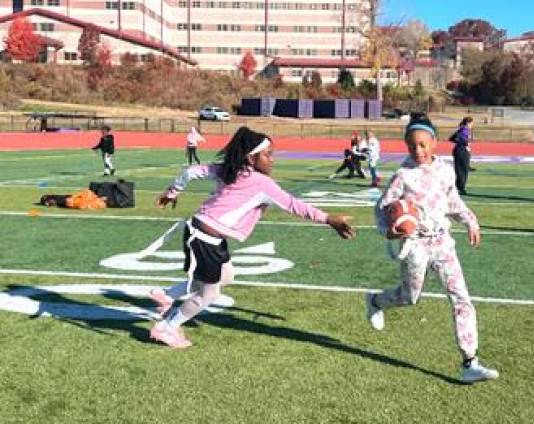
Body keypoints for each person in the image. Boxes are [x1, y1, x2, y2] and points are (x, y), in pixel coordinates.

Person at [149, 126, 356, 348]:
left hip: (206, 235)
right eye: (267, 155)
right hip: (203, 239)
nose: (272, 160)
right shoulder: (261, 182)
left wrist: (173, 192)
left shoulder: (229, 169)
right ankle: (167, 327)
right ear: (250, 157)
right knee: (208, 295)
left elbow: (190, 172)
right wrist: (329, 219)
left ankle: (166, 294)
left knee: (226, 276)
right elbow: (294, 205)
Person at [366, 113, 498, 383]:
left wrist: (470, 222)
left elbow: (453, 202)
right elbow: (381, 209)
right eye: (412, 145)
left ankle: (470, 362)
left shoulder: (446, 170)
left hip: (442, 244)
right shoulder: (403, 176)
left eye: (423, 144)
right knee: (410, 297)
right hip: (415, 246)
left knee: (461, 298)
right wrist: (388, 231)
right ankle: (375, 301)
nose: (418, 150)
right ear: (406, 145)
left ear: (435, 143)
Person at [450, 117, 473, 195]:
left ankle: (458, 187)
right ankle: (460, 188)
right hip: (461, 151)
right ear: (468, 123)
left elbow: (452, 138)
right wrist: (465, 143)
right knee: (462, 171)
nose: (472, 125)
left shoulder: (462, 129)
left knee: (461, 170)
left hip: (460, 151)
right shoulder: (464, 130)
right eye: (471, 123)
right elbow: (457, 137)